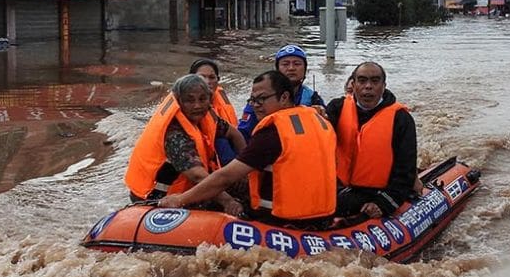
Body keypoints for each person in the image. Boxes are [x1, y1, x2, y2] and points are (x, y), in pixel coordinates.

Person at [158, 70, 337, 226]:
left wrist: (180, 200)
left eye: (262, 99)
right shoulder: (319, 119)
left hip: (282, 220)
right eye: (253, 100)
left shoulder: (272, 133)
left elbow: (224, 177)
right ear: (179, 102)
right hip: (323, 216)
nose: (256, 105)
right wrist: (247, 160)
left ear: (284, 97)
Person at [324, 62, 418, 219]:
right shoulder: (336, 108)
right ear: (353, 85)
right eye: (362, 80)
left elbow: (405, 170)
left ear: (384, 85)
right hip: (339, 187)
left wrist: (384, 203)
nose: (368, 87)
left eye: (375, 81)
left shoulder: (401, 119)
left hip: (377, 192)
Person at [124, 74, 221, 203]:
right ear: (179, 102)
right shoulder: (174, 133)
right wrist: (228, 201)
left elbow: (233, 133)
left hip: (183, 191)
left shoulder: (205, 115)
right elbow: (197, 175)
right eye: (190, 101)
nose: (197, 105)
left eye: (202, 99)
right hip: (154, 199)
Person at [237, 44, 325, 140]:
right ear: (277, 69)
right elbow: (244, 133)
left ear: (305, 69)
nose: (291, 68)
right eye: (285, 64)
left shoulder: (313, 98)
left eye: (297, 64)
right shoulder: (260, 98)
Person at [189, 58, 246, 163]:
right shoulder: (184, 108)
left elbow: (235, 134)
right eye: (202, 77)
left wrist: (245, 163)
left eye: (212, 77)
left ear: (218, 80)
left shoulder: (214, 115)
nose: (207, 82)